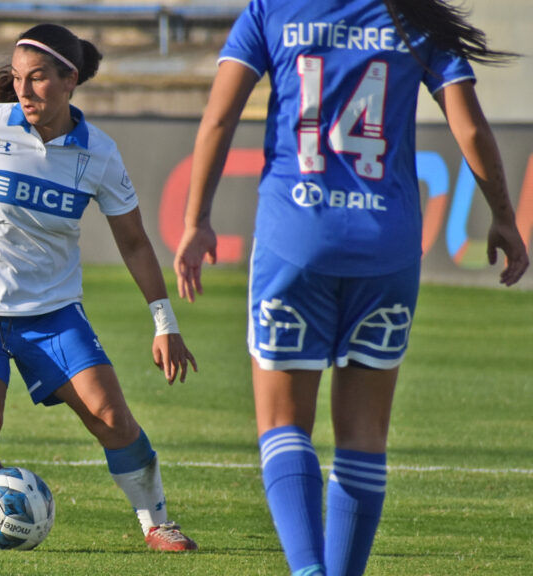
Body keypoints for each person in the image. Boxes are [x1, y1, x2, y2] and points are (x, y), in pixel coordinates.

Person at [173, 0, 529, 574]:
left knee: (283, 423)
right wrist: (505, 217)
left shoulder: (271, 10)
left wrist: (196, 221)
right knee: (365, 433)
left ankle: (309, 569)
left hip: (296, 238)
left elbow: (219, 118)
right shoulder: (416, 16)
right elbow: (469, 124)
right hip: (385, 245)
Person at [0, 23, 199, 552]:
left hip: (51, 314)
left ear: (70, 80)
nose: (24, 90)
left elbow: (136, 243)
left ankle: (157, 523)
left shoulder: (99, 155)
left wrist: (165, 324)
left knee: (112, 419)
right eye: (19, 78)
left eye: (39, 78)